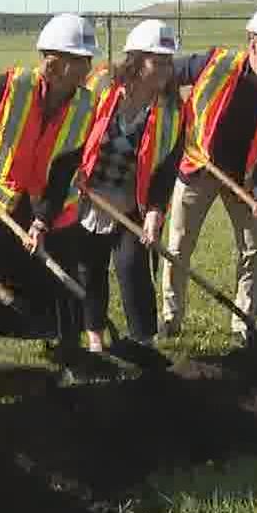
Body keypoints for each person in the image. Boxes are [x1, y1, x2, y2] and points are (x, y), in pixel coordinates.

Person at [0, 12, 102, 382]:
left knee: (61, 278)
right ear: (56, 61)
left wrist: (41, 221)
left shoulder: (86, 105)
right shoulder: (10, 85)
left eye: (87, 60)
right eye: (80, 61)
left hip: (46, 201)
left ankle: (69, 351)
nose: (87, 68)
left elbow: (65, 167)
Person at [157, 3, 257, 342]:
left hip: (244, 178)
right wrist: (173, 105)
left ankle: (242, 322)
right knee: (178, 246)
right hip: (198, 165)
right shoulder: (215, 63)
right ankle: (171, 319)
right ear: (251, 42)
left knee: (253, 249)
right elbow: (164, 76)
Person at [60, 18, 185, 350]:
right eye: (158, 62)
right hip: (87, 193)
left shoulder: (173, 110)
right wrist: (72, 174)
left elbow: (167, 166)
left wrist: (156, 211)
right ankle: (95, 338)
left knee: (133, 266)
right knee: (90, 267)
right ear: (136, 61)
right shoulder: (101, 86)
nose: (166, 69)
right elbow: (70, 129)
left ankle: (143, 341)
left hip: (132, 199)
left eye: (168, 62)